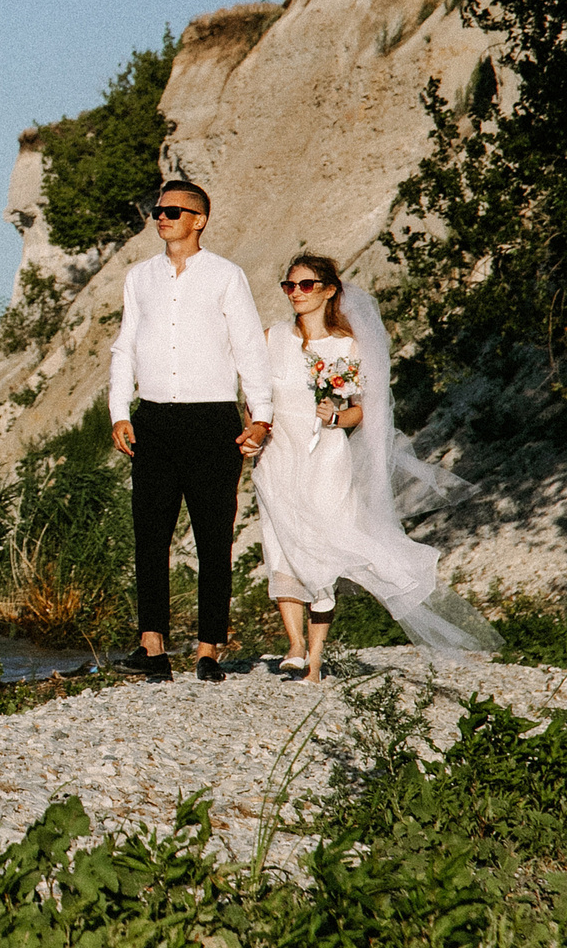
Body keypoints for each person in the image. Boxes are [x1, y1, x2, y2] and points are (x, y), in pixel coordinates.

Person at [237, 254, 499, 673]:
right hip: (277, 454)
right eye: (289, 286)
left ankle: (315, 660)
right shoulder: (271, 338)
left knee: (323, 544)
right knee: (280, 541)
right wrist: (253, 429)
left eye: (306, 285)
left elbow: (364, 409)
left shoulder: (348, 346)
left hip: (325, 457)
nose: (296, 293)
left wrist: (336, 418)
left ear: (328, 290)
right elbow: (254, 397)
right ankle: (295, 645)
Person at [108, 178, 272, 682]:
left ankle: (208, 649)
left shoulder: (226, 276)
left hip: (212, 421)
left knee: (213, 537)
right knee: (150, 535)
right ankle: (152, 646)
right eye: (158, 210)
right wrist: (119, 411)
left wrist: (261, 415)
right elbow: (125, 346)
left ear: (198, 220)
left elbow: (249, 347)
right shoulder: (139, 277)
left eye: (174, 211)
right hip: (153, 419)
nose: (162, 217)